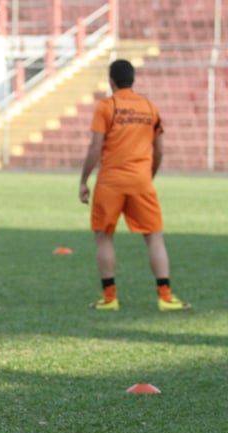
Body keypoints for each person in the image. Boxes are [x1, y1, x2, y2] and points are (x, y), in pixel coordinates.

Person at [79, 59, 190, 312]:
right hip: (141, 180)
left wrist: (84, 180)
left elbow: (95, 147)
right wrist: (149, 175)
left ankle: (109, 298)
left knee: (104, 237)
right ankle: (165, 296)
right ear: (133, 80)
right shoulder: (150, 107)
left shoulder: (106, 106)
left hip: (110, 181)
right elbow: (159, 148)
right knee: (154, 237)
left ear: (111, 81)